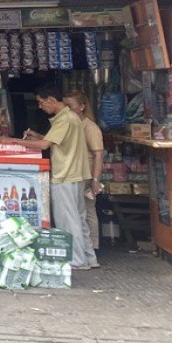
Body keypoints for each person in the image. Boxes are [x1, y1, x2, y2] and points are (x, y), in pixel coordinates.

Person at [0, 84, 96, 269]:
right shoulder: (70, 116)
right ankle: (89, 258)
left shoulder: (64, 119)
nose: (40, 106)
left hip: (65, 174)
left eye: (41, 102)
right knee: (79, 218)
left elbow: (44, 145)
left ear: (51, 100)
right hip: (76, 174)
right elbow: (56, 141)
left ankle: (77, 260)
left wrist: (12, 140)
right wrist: (36, 136)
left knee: (69, 220)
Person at [63, 91, 104, 261]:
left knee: (87, 210)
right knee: (81, 210)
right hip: (76, 173)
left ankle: (92, 247)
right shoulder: (73, 124)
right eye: (65, 106)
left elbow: (98, 155)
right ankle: (85, 248)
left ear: (81, 106)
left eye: (70, 106)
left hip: (86, 174)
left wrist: (95, 180)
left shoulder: (90, 127)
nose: (67, 110)